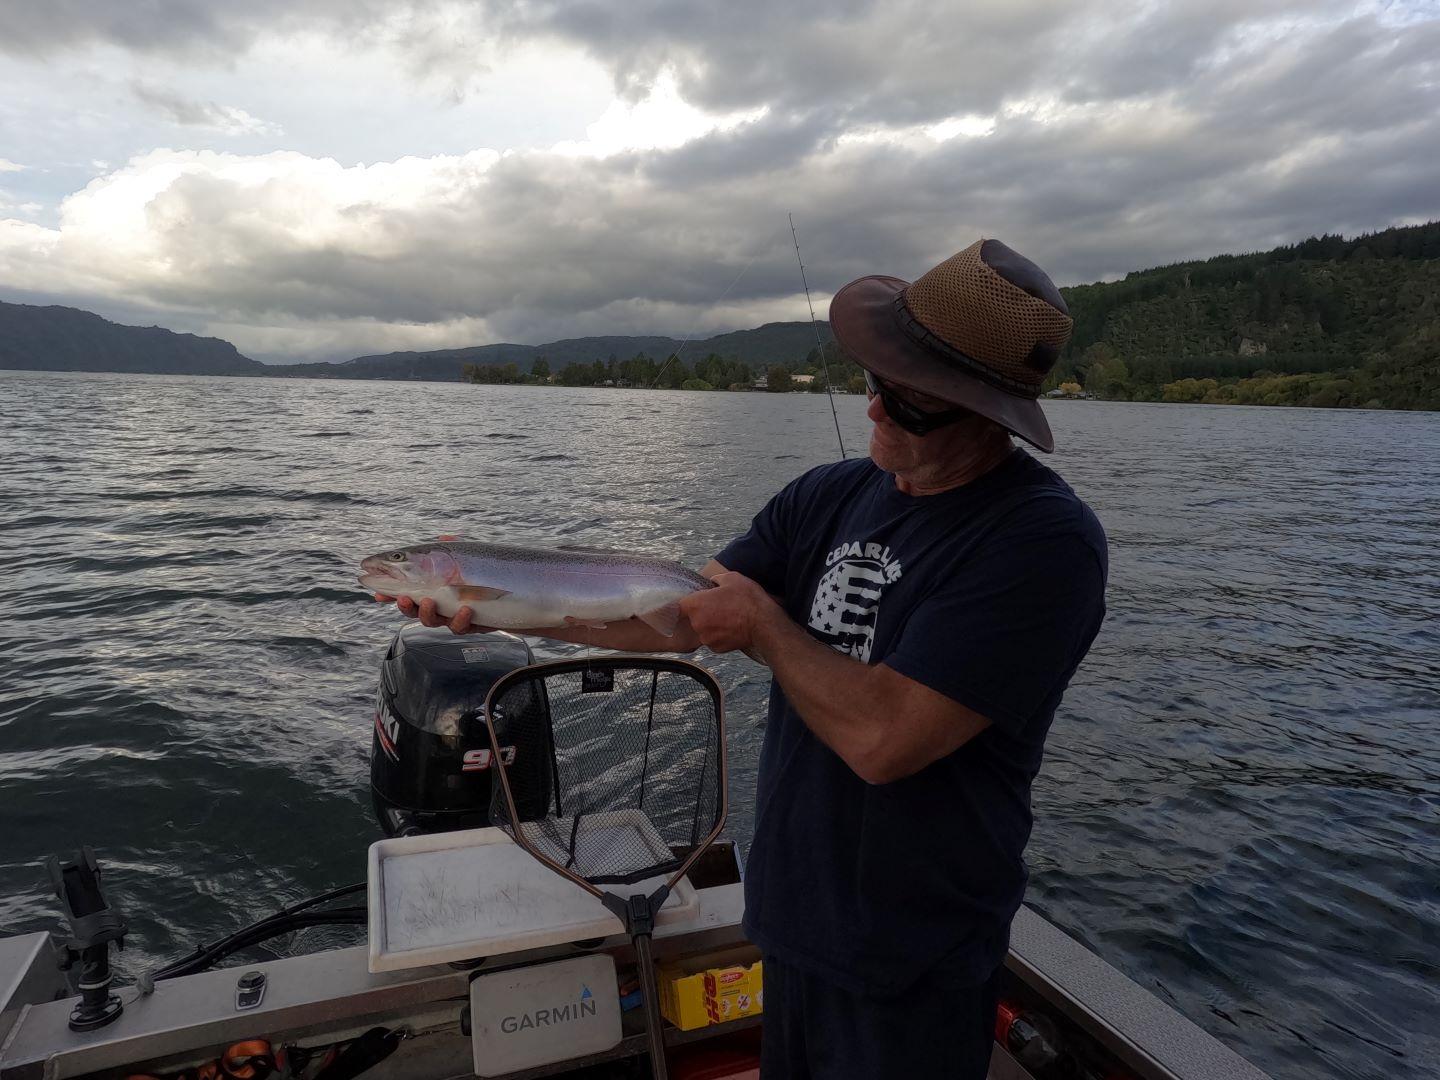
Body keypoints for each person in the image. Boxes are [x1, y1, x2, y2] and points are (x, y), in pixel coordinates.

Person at [383, 238, 1107, 1078]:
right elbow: (680, 621)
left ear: (987, 414)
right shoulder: (828, 494)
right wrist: (504, 607)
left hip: (916, 953)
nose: (876, 411)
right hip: (793, 915)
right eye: (875, 382)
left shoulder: (1040, 543)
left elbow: (886, 739)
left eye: (910, 403)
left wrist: (764, 627)